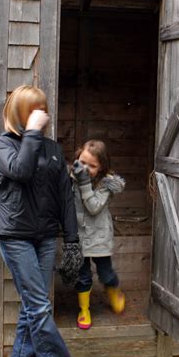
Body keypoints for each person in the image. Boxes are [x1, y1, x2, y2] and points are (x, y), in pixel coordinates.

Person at [0, 85, 94, 357]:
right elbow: (20, 171)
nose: (43, 115)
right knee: (38, 306)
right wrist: (32, 133)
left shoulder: (52, 149)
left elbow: (65, 196)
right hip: (15, 236)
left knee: (32, 307)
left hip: (46, 237)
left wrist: (73, 241)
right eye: (35, 110)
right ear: (21, 113)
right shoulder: (2, 146)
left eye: (44, 109)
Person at [71, 140, 126, 329]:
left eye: (92, 166)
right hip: (79, 235)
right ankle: (84, 309)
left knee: (106, 274)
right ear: (78, 157)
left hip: (99, 237)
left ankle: (114, 292)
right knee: (83, 275)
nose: (85, 169)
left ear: (102, 167)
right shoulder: (72, 177)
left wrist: (84, 183)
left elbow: (93, 207)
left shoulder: (106, 184)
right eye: (83, 162)